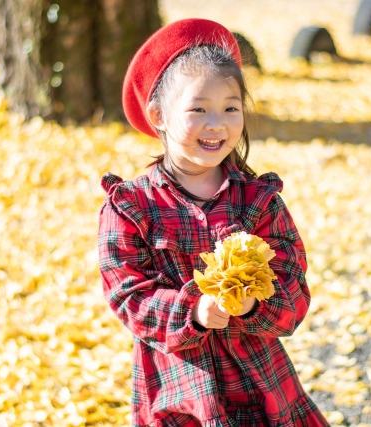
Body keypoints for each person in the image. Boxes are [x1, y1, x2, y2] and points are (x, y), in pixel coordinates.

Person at [98, 18, 329, 427]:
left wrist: (256, 303)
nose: (216, 123)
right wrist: (193, 310)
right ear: (159, 115)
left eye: (230, 108)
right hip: (180, 391)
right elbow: (127, 295)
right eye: (198, 109)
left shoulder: (258, 201)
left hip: (260, 386)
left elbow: (294, 287)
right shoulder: (131, 206)